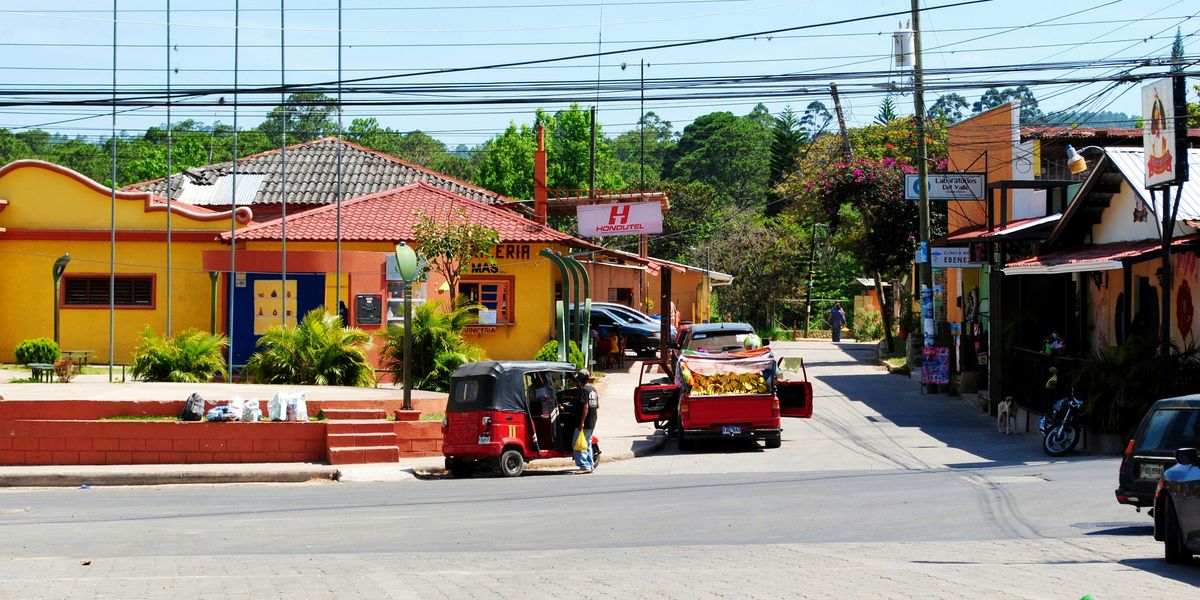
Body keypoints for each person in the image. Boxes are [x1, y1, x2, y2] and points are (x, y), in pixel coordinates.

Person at [572, 370, 599, 474]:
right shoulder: (593, 389)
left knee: (578, 444)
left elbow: (585, 406)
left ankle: (584, 466)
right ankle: (590, 465)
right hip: (593, 420)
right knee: (587, 444)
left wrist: (581, 422)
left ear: (580, 379)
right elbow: (597, 405)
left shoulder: (583, 390)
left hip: (585, 422)